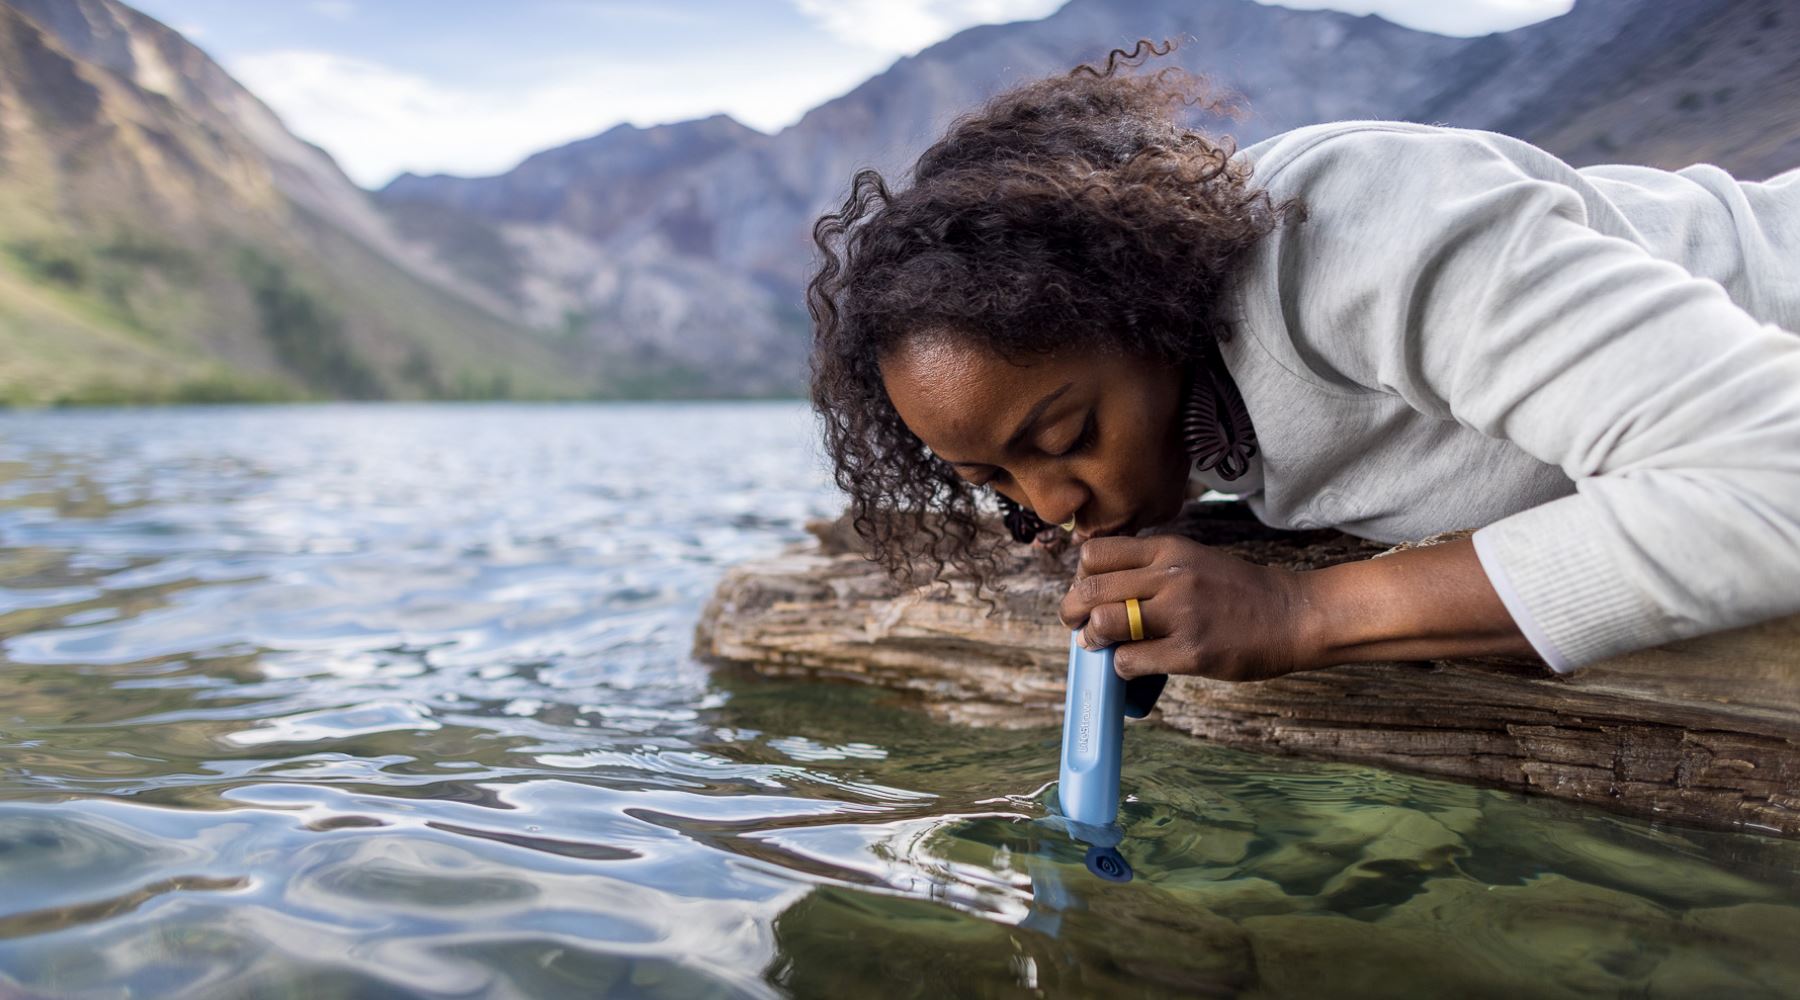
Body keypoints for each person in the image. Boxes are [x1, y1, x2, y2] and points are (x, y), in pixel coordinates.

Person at [804, 39, 1800, 684]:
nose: (1051, 505)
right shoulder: (1183, 404)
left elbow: (1775, 479)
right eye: (999, 487)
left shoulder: (1352, 234)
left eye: (1065, 436)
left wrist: (1308, 611)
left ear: (1145, 304)